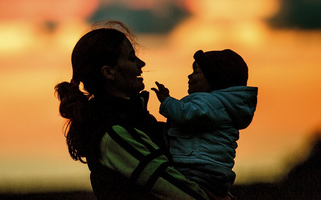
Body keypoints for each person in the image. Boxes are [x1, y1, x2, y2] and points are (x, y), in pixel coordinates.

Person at [55, 21, 209, 200]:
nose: (141, 63)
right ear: (108, 72)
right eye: (131, 57)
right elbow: (179, 191)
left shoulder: (134, 120)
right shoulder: (113, 134)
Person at [152, 49, 258, 198]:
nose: (190, 76)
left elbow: (187, 115)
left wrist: (167, 101)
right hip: (212, 173)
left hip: (199, 170)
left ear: (214, 79)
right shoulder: (218, 105)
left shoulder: (210, 102)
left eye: (196, 72)